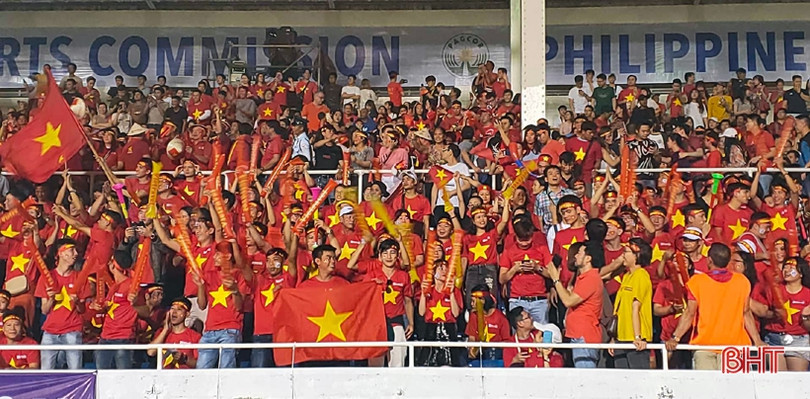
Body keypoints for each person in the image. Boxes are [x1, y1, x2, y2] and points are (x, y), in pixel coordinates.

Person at [666, 243, 764, 370]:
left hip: (704, 346)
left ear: (709, 260)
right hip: (734, 347)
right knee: (734, 388)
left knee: (707, 388)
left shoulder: (696, 282)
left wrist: (675, 337)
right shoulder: (742, 281)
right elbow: (746, 313)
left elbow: (690, 313)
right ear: (728, 261)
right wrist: (757, 340)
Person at [546, 241, 604, 368]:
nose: (575, 256)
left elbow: (568, 301)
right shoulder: (583, 278)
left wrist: (556, 279)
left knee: (585, 379)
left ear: (588, 258)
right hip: (578, 335)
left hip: (584, 337)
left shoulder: (590, 279)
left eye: (579, 253)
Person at [609, 238, 653, 369]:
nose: (622, 255)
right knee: (622, 381)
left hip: (634, 340)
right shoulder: (627, 276)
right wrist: (613, 338)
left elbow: (636, 308)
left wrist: (638, 337)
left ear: (637, 255)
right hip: (620, 338)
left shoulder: (641, 275)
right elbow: (618, 310)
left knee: (638, 381)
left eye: (626, 251)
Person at [148, 297, 201, 369]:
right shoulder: (161, 332)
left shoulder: (195, 336)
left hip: (185, 377)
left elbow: (199, 364)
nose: (174, 312)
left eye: (179, 309)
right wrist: (165, 329)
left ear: (187, 314)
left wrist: (184, 359)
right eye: (172, 308)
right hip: (164, 377)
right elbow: (151, 352)